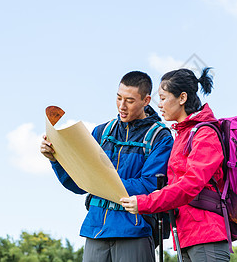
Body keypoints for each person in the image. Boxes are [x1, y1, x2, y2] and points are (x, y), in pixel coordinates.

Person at [40, 71, 173, 262]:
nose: (122, 106)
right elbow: (79, 183)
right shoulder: (101, 132)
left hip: (134, 230)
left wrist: (102, 183)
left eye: (130, 100)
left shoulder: (160, 137)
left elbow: (150, 186)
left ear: (146, 100)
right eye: (118, 98)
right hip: (95, 230)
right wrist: (55, 159)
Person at [120, 68, 230, 262]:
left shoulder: (205, 134)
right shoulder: (182, 135)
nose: (159, 105)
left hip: (205, 235)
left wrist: (146, 202)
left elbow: (191, 184)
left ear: (182, 98)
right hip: (186, 236)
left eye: (163, 98)